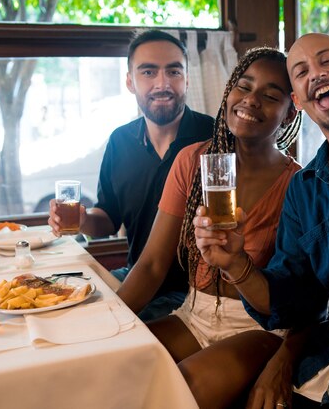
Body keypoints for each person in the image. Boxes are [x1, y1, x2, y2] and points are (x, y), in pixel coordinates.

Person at [119, 46, 302, 409]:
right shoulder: (192, 161)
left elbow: (307, 298)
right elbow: (153, 264)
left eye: (270, 95)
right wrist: (104, 330)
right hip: (193, 314)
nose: (251, 101)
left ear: (289, 112)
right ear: (228, 92)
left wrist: (286, 358)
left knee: (182, 391)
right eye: (243, 87)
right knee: (117, 367)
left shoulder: (298, 183)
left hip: (256, 328)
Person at [194, 33, 329, 407]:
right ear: (300, 101)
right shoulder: (304, 191)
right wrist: (236, 264)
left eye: (327, 61)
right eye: (302, 71)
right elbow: (295, 301)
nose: (316, 73)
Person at [48, 30, 214, 321]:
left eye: (173, 71)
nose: (162, 83)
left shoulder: (214, 138)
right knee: (56, 307)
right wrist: (83, 220)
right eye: (148, 72)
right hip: (133, 274)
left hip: (194, 291)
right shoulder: (120, 141)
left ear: (187, 78)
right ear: (130, 81)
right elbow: (108, 220)